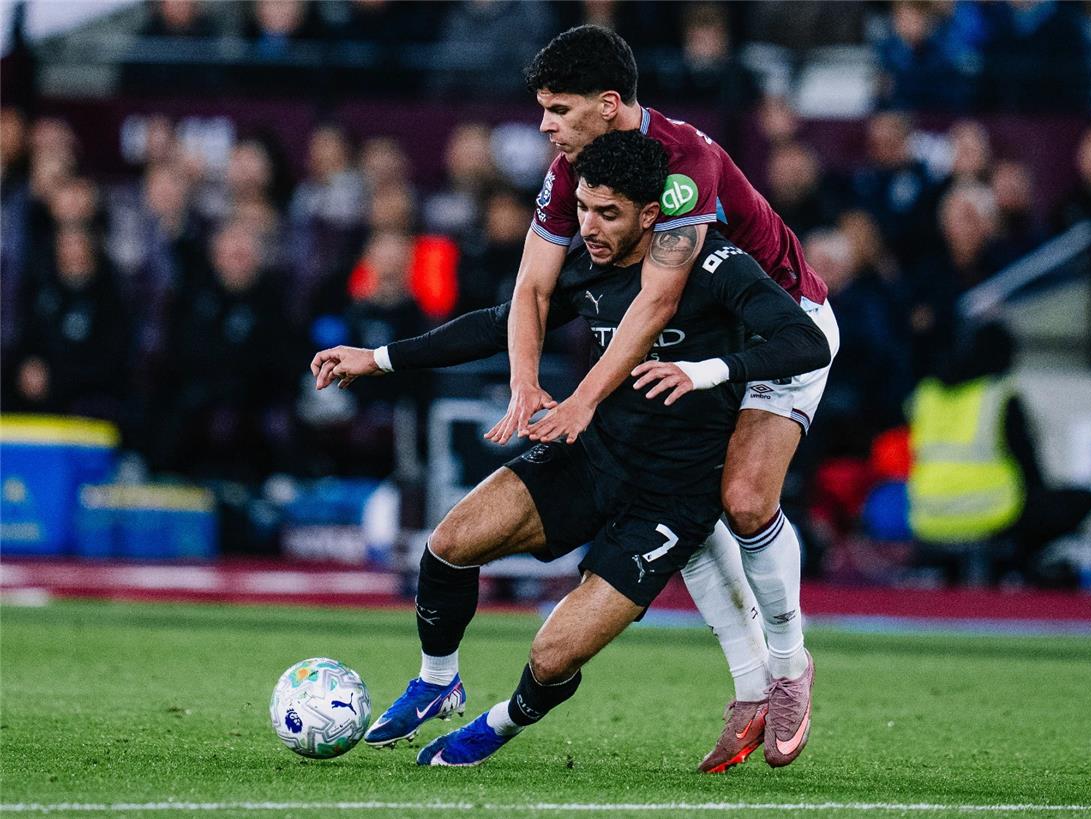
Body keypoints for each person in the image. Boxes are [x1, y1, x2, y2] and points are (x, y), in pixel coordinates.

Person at [309, 131, 831, 768]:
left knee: (552, 656)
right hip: (593, 455)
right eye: (583, 207)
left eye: (608, 213)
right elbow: (501, 321)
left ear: (651, 214)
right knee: (450, 542)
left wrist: (707, 371)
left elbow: (807, 343)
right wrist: (378, 359)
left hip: (670, 498)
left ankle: (500, 723)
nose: (589, 226)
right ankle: (438, 679)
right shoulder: (588, 265)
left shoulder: (715, 264)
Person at [487, 25, 838, 772]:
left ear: (608, 104)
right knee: (677, 491)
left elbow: (658, 299)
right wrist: (524, 379)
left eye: (558, 109)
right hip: (689, 345)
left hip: (776, 328)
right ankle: (749, 688)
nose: (545, 126)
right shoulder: (572, 171)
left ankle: (788, 666)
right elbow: (532, 287)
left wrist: (583, 400)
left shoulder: (685, 165)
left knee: (746, 500)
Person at [907, 321, 1091, 586]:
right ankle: (1022, 565)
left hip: (927, 513)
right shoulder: (998, 394)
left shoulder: (927, 394)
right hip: (991, 511)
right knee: (1080, 500)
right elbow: (1027, 464)